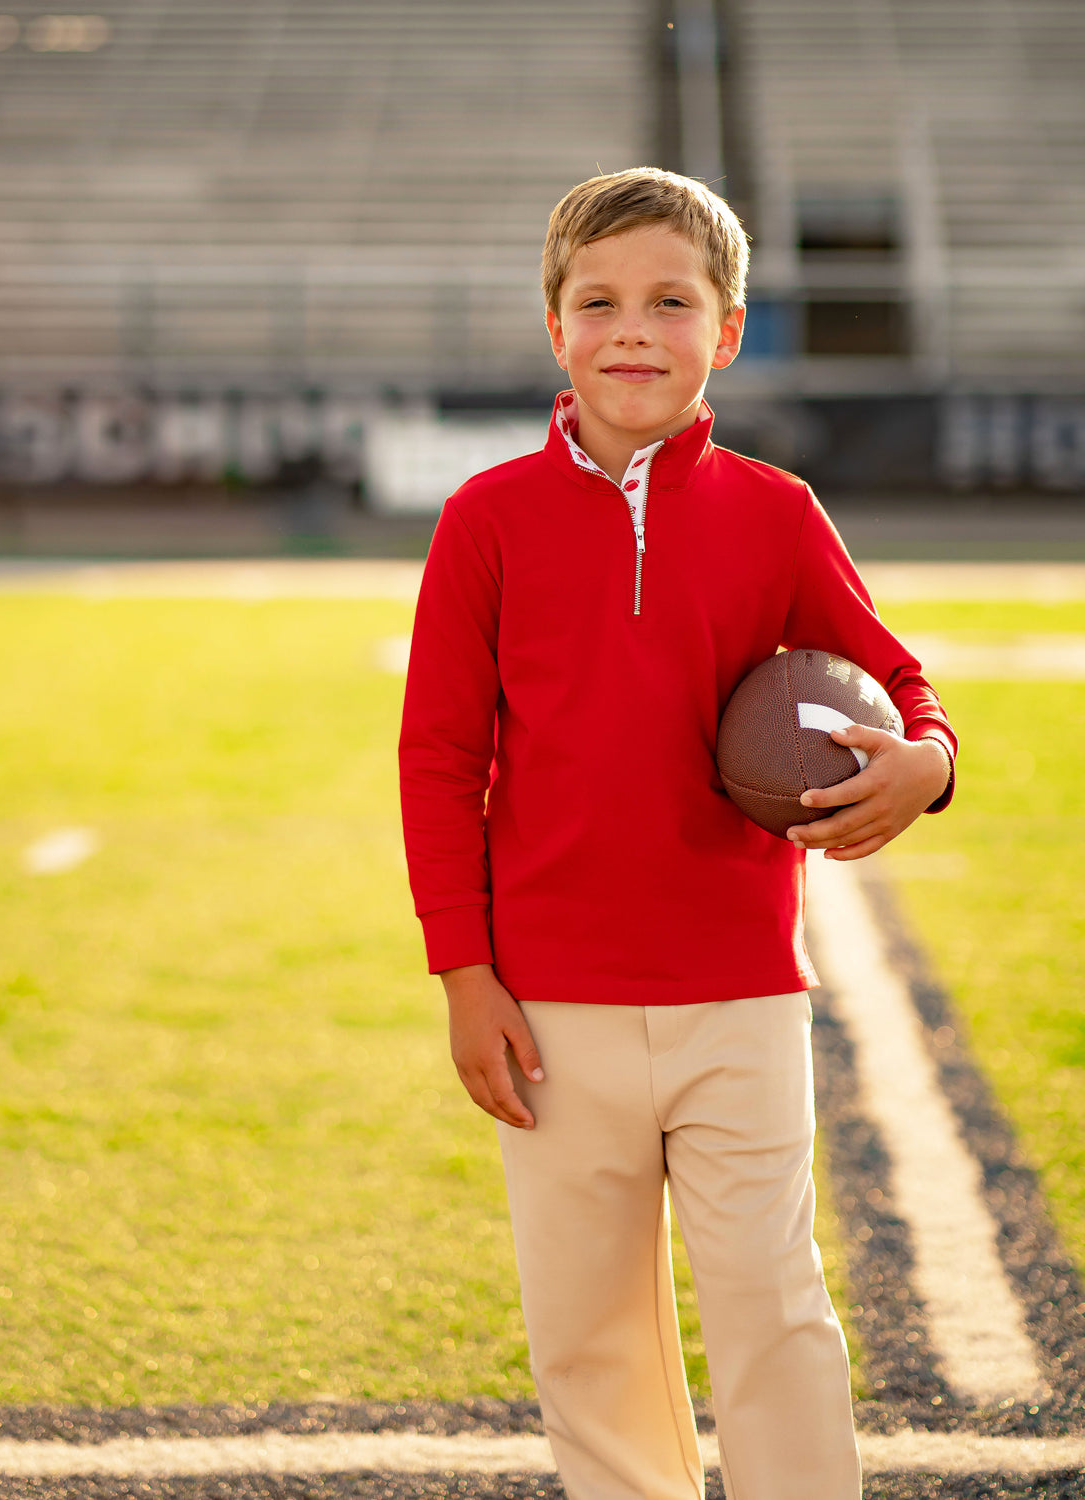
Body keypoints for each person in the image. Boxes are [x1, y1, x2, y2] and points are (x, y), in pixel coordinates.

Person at [397, 167, 956, 1500]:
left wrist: (927, 765)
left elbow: (902, 679)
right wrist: (465, 976)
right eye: (599, 302)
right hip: (549, 1008)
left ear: (731, 329)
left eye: (671, 302)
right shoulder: (486, 523)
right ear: (555, 329)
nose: (632, 331)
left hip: (742, 997)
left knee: (773, 1308)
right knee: (590, 1337)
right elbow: (439, 763)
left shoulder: (774, 512)